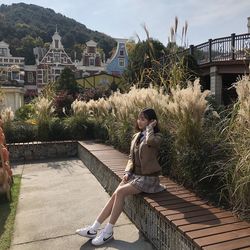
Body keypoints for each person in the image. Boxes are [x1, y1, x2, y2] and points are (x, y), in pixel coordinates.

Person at [76, 108, 165, 246]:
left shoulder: (157, 136)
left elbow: (150, 142)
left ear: (152, 121)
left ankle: (109, 230)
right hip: (135, 175)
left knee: (120, 192)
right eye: (139, 118)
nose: (139, 121)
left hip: (148, 178)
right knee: (115, 194)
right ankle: (94, 228)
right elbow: (131, 158)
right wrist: (128, 172)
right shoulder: (136, 136)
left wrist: (150, 128)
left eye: (143, 119)